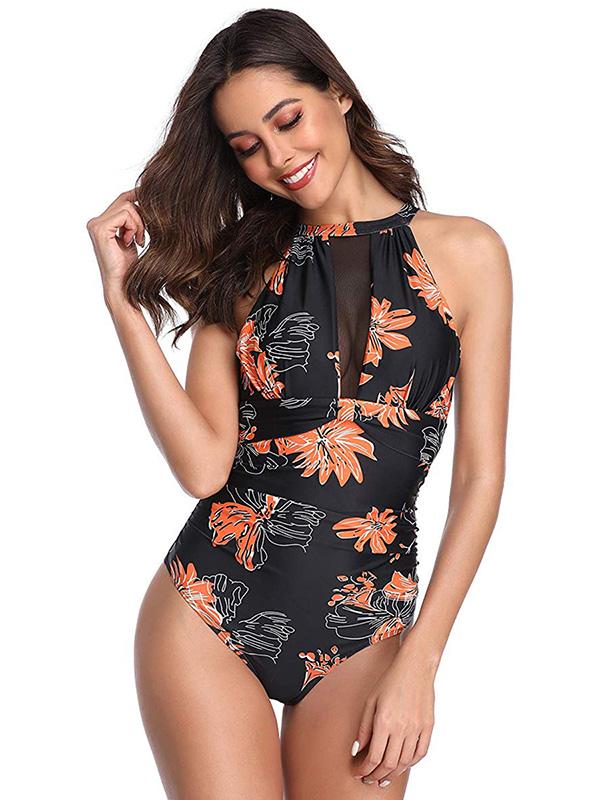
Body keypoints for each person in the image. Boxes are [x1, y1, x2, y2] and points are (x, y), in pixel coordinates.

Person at [86, 9, 511, 799]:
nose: (278, 158)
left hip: (367, 626)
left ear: (338, 92)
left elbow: (480, 478)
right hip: (208, 612)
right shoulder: (241, 268)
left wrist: (421, 662)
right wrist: (122, 305)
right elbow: (202, 468)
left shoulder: (468, 253)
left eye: (288, 121)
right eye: (247, 145)